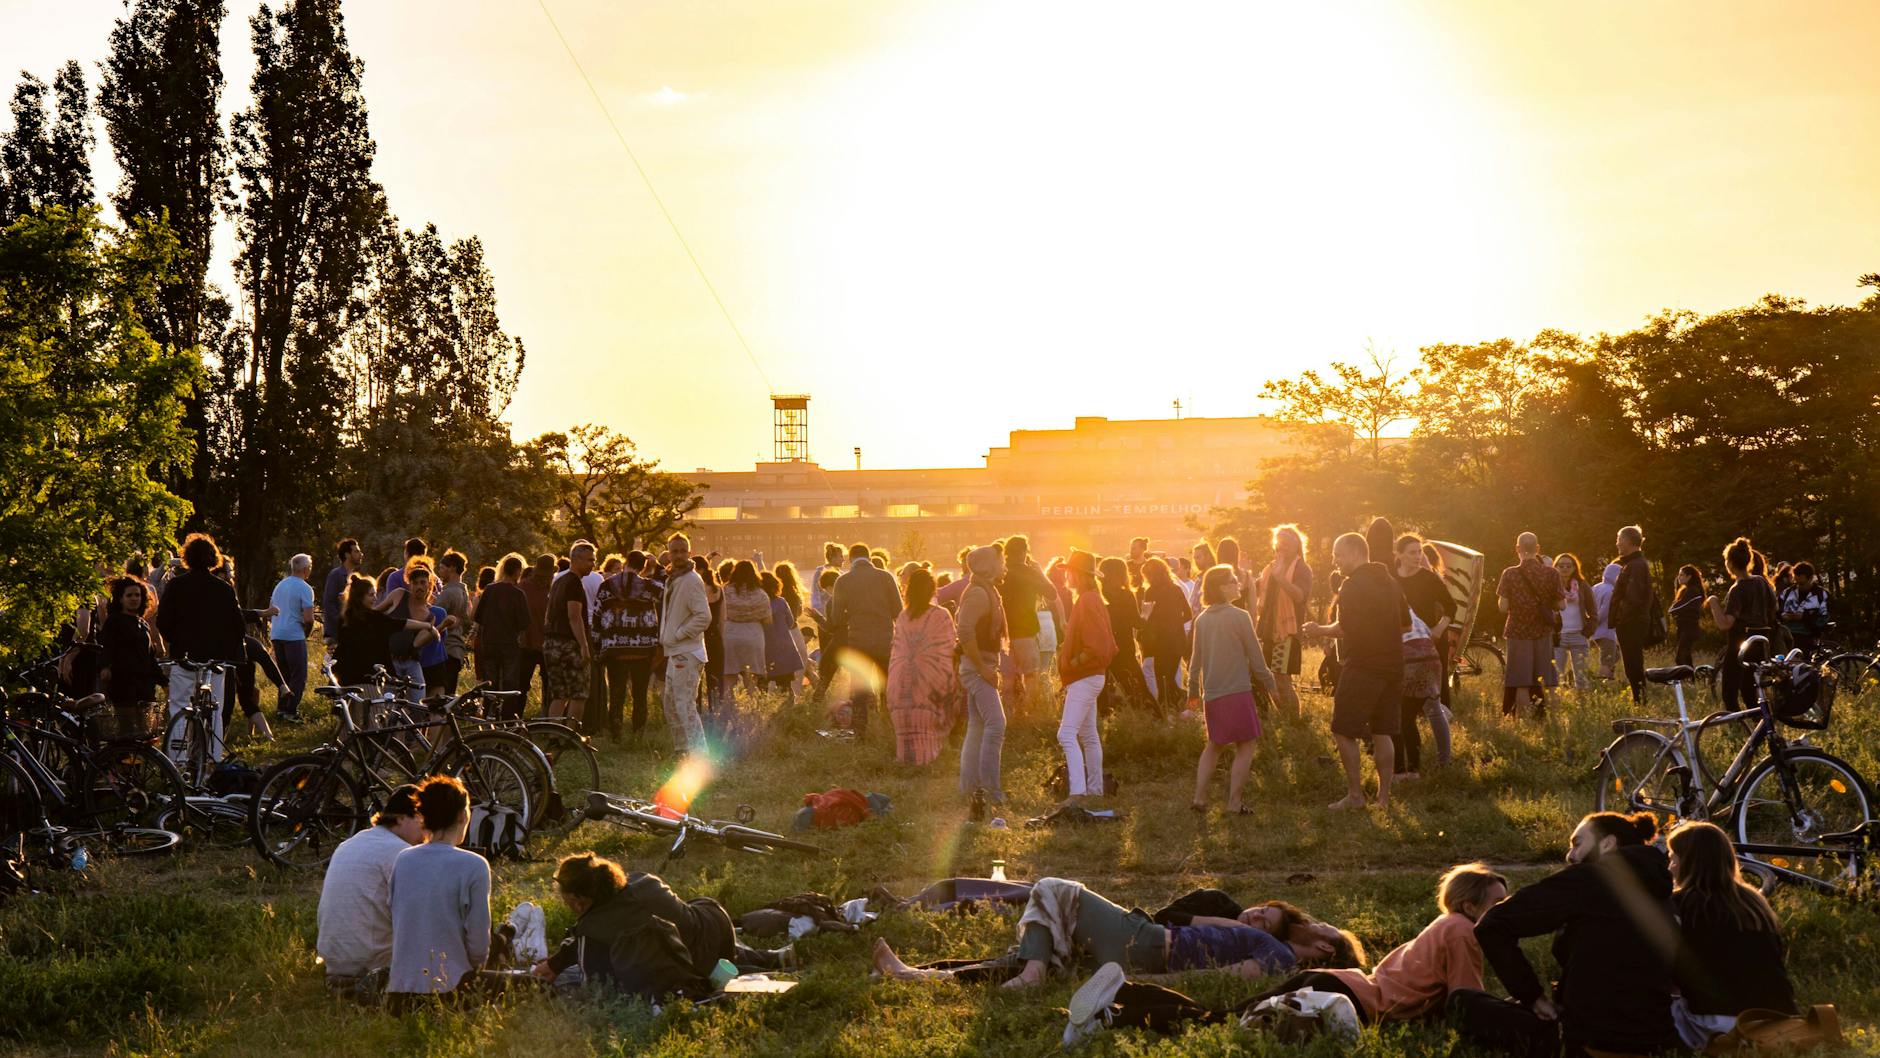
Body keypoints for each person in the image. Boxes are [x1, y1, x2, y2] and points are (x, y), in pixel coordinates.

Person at [1066, 864, 1505, 1045]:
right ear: (1470, 906)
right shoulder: (1463, 931)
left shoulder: (1442, 926)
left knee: (1220, 1016)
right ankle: (1113, 1014)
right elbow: (1468, 1004)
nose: (1505, 911)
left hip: (1337, 987)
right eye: (1498, 903)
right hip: (1345, 998)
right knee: (1220, 1024)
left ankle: (1123, 995)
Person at [1452, 811, 1679, 1058]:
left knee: (1462, 1001)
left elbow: (1492, 924)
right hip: (1655, 1041)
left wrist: (1533, 997)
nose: (1570, 855)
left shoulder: (1590, 878)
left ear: (1608, 844)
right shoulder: (1665, 893)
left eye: (1577, 844)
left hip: (1589, 1042)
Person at [871, 878, 1361, 988]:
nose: (1312, 921)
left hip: (1145, 944)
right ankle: (919, 976)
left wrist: (1142, 983)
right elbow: (1191, 920)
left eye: (1321, 926)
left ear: (1323, 946)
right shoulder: (1269, 946)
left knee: (1054, 888)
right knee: (1036, 943)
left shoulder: (1280, 957)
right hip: (1146, 940)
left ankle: (1034, 974)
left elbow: (1221, 977)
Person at [532, 852, 793, 996]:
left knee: (684, 955)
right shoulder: (640, 880)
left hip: (691, 964)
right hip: (716, 923)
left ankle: (754, 963)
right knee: (695, 928)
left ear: (578, 901)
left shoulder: (594, 925)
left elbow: (592, 978)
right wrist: (556, 961)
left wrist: (553, 968)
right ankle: (770, 958)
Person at [1666, 820, 1797, 1049]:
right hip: (1774, 1019)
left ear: (1688, 862)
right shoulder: (1755, 903)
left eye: (1673, 859)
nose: (1670, 867)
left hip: (1715, 1021)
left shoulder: (1683, 904)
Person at [1303, 533, 1406, 811]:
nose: (1335, 561)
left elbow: (1344, 627)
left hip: (1363, 665)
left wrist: (1318, 629)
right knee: (1383, 731)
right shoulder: (1390, 582)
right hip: (1393, 665)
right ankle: (1383, 799)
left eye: (1338, 555)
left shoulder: (1351, 585)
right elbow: (1405, 623)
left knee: (1343, 729)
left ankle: (1355, 796)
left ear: (1356, 553)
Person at [387, 777, 491, 1005]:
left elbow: (394, 918)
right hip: (450, 990)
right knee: (537, 986)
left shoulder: (403, 860)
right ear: (462, 815)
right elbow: (479, 946)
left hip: (399, 993)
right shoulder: (475, 865)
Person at [316, 784, 424, 992]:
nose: (426, 833)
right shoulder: (402, 853)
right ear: (401, 818)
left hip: (334, 963)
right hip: (373, 965)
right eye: (422, 823)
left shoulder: (349, 844)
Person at [1187, 565, 1275, 813]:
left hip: (1212, 694)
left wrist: (1192, 695)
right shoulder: (1240, 617)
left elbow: (1195, 663)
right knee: (1246, 744)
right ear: (1221, 588)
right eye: (1233, 580)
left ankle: (1199, 798)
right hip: (1237, 691)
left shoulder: (1202, 620)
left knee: (1214, 744)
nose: (1238, 584)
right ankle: (1234, 803)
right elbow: (1257, 659)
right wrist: (1271, 684)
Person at [154, 533, 247, 755]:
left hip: (184, 655)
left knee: (179, 705)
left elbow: (163, 621)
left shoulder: (176, 586)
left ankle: (177, 758)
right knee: (214, 708)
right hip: (215, 658)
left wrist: (175, 640)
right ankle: (212, 756)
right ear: (213, 558)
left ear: (186, 557)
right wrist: (225, 648)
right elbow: (238, 626)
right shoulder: (224, 588)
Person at [1057, 549, 1116, 802]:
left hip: (1085, 676)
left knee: (1066, 734)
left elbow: (1097, 645)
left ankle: (1078, 792)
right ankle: (1094, 790)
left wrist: (1073, 662)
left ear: (1078, 574)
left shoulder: (1087, 601)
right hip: (1091, 676)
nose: (1066, 576)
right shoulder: (1091, 598)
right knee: (1089, 735)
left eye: (1069, 571)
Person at [1393, 534, 1454, 777]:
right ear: (1398, 555)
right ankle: (1410, 763)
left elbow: (1451, 607)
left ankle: (1444, 761)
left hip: (1428, 644)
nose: (1418, 557)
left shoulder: (1428, 578)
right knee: (1413, 706)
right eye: (1412, 552)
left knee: (1432, 705)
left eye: (1419, 552)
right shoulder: (1392, 579)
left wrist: (1439, 629)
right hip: (1401, 647)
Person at [828, 541, 903, 739]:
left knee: (859, 691)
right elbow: (898, 611)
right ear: (869, 557)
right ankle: (891, 729)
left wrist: (852, 614)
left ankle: (860, 733)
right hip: (885, 641)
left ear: (850, 559)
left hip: (858, 642)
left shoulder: (843, 581)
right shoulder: (886, 577)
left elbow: (837, 618)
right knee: (888, 687)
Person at [591, 550, 662, 740]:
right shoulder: (650, 587)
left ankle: (616, 732)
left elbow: (597, 616)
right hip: (643, 649)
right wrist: (657, 567)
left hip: (615, 648)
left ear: (625, 562)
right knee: (640, 693)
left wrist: (597, 646)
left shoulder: (606, 585)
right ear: (643, 567)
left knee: (616, 692)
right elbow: (667, 592)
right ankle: (638, 732)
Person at [956, 545, 1009, 802]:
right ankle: (991, 791)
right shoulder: (979, 593)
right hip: (977, 667)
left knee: (977, 726)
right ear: (990, 565)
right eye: (1002, 561)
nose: (1005, 566)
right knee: (996, 724)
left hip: (981, 665)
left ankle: (969, 788)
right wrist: (982, 668)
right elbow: (964, 632)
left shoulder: (986, 590)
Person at [1494, 532, 1563, 720]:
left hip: (1518, 631)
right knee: (1548, 681)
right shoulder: (1552, 573)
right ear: (1537, 549)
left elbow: (1503, 607)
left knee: (1521, 682)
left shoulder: (1509, 573)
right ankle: (1554, 721)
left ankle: (1525, 724)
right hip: (1543, 631)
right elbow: (1562, 604)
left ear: (1517, 548)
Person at [1708, 537, 1778, 712]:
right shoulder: (1761, 581)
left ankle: (1736, 722)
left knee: (1729, 691)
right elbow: (1774, 606)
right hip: (1762, 641)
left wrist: (1713, 602)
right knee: (1749, 688)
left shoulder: (1737, 589)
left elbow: (1725, 624)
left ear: (1730, 563)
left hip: (1741, 643)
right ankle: (1759, 719)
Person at [333, 574, 439, 686]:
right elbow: (401, 623)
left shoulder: (344, 618)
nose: (375, 598)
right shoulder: (374, 618)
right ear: (360, 597)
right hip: (367, 678)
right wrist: (427, 626)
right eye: (371, 595)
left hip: (345, 676)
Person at [658, 535, 711, 755]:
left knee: (684, 705)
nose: (678, 555)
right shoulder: (674, 578)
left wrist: (679, 634)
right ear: (668, 554)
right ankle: (682, 751)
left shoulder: (691, 580)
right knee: (671, 704)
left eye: (682, 551)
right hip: (677, 651)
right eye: (674, 551)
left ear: (690, 554)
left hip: (687, 652)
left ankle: (699, 756)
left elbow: (704, 616)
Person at [995, 535, 1064, 705]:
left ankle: (1009, 712)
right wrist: (1040, 572)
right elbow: (1052, 593)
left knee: (1007, 677)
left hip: (1002, 633)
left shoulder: (1000, 573)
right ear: (1024, 552)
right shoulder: (1029, 572)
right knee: (1031, 675)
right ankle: (1030, 710)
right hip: (1025, 631)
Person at [1254, 524, 1313, 721]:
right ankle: (1284, 719)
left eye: (1286, 544)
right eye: (1279, 544)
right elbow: (1257, 593)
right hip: (1267, 631)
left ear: (1297, 545)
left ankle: (1293, 722)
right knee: (1269, 678)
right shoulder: (1270, 569)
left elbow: (1300, 596)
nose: (1281, 548)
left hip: (1287, 633)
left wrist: (1281, 579)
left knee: (1281, 679)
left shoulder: (1302, 569)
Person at [543, 542, 595, 726]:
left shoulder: (558, 582)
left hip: (551, 643)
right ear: (576, 559)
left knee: (559, 695)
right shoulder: (574, 583)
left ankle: (554, 734)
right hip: (568, 645)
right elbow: (574, 616)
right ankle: (570, 736)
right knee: (579, 694)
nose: (593, 564)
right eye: (589, 560)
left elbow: (548, 615)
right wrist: (584, 646)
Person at [473, 554, 531, 708]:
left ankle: (488, 712)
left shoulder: (489, 590)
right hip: (510, 644)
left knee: (490, 681)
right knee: (509, 683)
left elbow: (478, 617)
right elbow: (524, 622)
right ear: (517, 571)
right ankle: (507, 714)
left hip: (490, 642)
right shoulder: (518, 594)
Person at [1097, 556, 1153, 709]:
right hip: (1124, 647)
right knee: (1137, 689)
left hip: (1103, 646)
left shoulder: (1098, 595)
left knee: (1102, 691)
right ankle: (1148, 716)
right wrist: (1146, 613)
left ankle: (1104, 717)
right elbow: (1137, 624)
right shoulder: (1126, 595)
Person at [1138, 557, 1193, 714]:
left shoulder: (1151, 592)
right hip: (1177, 640)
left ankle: (1168, 709)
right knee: (1169, 677)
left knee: (1162, 679)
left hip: (1160, 641)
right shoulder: (1176, 589)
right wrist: (1175, 623)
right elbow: (1188, 614)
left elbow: (1147, 617)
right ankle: (1177, 705)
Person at [266, 554, 317, 723]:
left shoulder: (280, 585)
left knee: (284, 676)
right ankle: (291, 711)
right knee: (298, 675)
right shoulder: (305, 588)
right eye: (310, 567)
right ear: (305, 569)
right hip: (293, 635)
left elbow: (270, 611)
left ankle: (281, 709)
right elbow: (308, 618)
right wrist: (306, 633)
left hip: (277, 633)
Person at [98, 576, 162, 708]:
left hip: (145, 686)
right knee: (126, 719)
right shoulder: (114, 621)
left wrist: (163, 681)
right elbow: (107, 646)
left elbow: (150, 657)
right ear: (121, 599)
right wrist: (105, 667)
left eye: (137, 595)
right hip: (123, 684)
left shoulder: (143, 624)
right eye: (129, 595)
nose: (134, 598)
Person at [1610, 525, 1653, 704]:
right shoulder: (1633, 564)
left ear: (1628, 541)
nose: (1617, 543)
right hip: (1631, 621)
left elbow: (1633, 598)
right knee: (1632, 662)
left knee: (1633, 663)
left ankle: (1640, 701)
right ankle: (1639, 699)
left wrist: (1620, 618)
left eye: (1619, 539)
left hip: (1631, 622)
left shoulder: (1636, 565)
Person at [720, 560, 771, 700]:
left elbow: (719, 614)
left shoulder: (725, 591)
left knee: (729, 676)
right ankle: (752, 707)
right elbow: (767, 620)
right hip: (753, 635)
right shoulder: (761, 594)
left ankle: (728, 706)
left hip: (730, 634)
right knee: (751, 677)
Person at [1552, 553, 1597, 691]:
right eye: (1561, 565)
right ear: (1555, 567)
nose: (1565, 568)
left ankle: (1583, 702)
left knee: (1582, 678)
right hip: (1558, 637)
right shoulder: (1552, 586)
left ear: (1574, 567)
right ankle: (1557, 702)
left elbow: (1593, 611)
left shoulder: (1582, 585)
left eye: (1568, 565)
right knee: (1555, 676)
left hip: (1579, 634)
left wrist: (1588, 632)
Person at [760, 570, 804, 704]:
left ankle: (762, 707)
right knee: (785, 683)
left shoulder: (758, 605)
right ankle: (789, 707)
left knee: (762, 683)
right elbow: (791, 623)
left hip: (764, 648)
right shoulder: (781, 602)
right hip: (784, 647)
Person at [432, 551, 472, 699]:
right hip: (457, 650)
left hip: (446, 649)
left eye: (442, 567)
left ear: (453, 568)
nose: (439, 571)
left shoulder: (448, 593)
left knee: (439, 698)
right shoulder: (463, 592)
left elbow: (434, 618)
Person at [517, 554, 555, 708]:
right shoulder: (553, 588)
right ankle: (548, 717)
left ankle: (516, 716)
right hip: (547, 643)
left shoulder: (523, 587)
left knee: (521, 686)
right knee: (549, 686)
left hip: (527, 642)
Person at [1779, 561, 1830, 655]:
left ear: (1811, 579)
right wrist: (1783, 616)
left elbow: (1824, 617)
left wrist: (1804, 617)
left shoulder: (1821, 595)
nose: (1799, 586)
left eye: (1802, 583)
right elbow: (1777, 611)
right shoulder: (1787, 593)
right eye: (1796, 582)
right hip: (1786, 633)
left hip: (1807, 635)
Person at [322, 538, 361, 650]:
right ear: (347, 555)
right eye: (356, 551)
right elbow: (329, 603)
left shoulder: (356, 577)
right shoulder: (336, 575)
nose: (361, 554)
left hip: (351, 634)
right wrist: (342, 624)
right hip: (336, 635)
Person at [1669, 564, 1706, 668]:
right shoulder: (1687, 590)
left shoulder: (1693, 591)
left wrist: (1672, 610)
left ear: (1689, 577)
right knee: (1686, 658)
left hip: (1689, 628)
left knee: (1681, 658)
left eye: (1681, 575)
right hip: (1684, 628)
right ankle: (1691, 677)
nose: (1679, 577)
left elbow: (1675, 608)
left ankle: (1688, 677)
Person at [1590, 562, 1621, 680]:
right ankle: (1603, 681)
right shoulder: (1611, 591)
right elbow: (1605, 611)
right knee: (1607, 659)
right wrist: (1595, 622)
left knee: (1615, 655)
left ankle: (1607, 677)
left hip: (1596, 631)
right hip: (1606, 630)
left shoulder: (1596, 587)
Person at [809, 541, 844, 615]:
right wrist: (820, 612)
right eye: (841, 556)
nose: (843, 559)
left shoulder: (841, 574)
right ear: (832, 557)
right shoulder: (819, 573)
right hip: (824, 613)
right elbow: (815, 593)